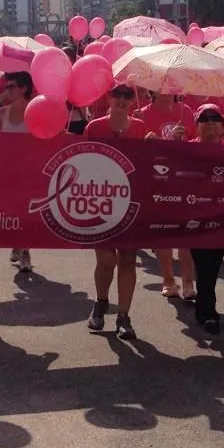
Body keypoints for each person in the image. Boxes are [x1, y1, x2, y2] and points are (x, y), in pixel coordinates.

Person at [84, 84, 146, 340]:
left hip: (131, 202)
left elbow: (149, 163)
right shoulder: (94, 127)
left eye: (127, 95)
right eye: (117, 95)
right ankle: (100, 301)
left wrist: (156, 145)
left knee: (129, 260)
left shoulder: (141, 128)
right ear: (109, 97)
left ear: (133, 100)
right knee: (106, 260)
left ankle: (123, 315)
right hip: (101, 202)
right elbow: (82, 161)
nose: (121, 100)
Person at [138, 92, 197, 299]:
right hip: (157, 181)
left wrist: (184, 140)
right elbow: (134, 152)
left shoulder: (186, 111)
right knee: (163, 233)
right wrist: (145, 142)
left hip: (184, 179)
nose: (166, 89)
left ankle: (188, 282)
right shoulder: (141, 113)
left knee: (186, 234)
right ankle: (168, 280)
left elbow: (196, 145)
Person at [189, 104, 224, 334]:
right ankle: (207, 311)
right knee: (203, 264)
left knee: (213, 264)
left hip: (221, 218)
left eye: (215, 118)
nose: (209, 122)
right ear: (196, 125)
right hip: (194, 218)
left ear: (223, 127)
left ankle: (206, 309)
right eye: (204, 118)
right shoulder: (183, 149)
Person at [0, 71, 34, 273]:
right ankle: (17, 243)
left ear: (23, 88)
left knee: (26, 211)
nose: (6, 91)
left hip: (29, 171)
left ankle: (25, 249)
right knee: (13, 211)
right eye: (5, 87)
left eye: (11, 87)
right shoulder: (2, 113)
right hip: (8, 171)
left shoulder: (35, 111)